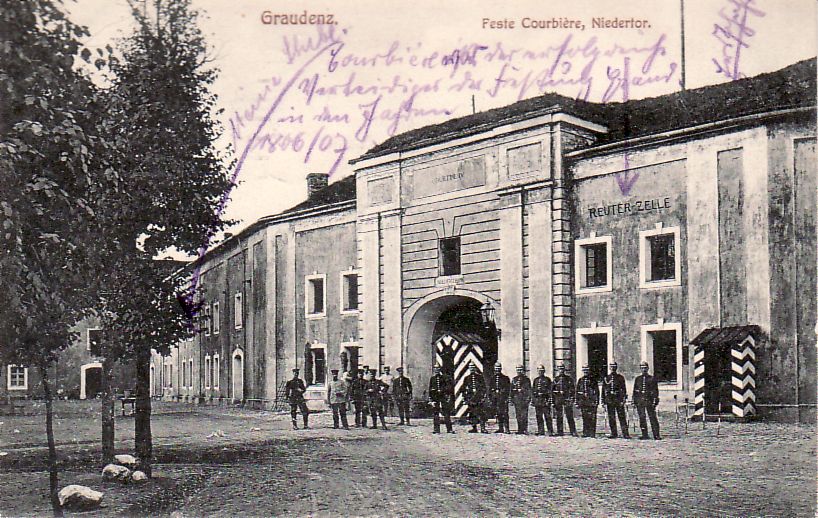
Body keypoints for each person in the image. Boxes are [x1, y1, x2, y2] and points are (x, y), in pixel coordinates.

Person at [633, 361, 661, 440]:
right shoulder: (638, 379)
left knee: (652, 417)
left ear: (648, 368)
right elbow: (635, 391)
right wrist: (634, 401)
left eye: (645, 368)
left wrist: (655, 401)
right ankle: (644, 434)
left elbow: (655, 391)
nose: (644, 369)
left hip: (649, 401)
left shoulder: (652, 379)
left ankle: (656, 435)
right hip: (640, 401)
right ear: (640, 369)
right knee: (642, 417)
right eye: (642, 368)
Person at [602, 362, 630, 439]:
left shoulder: (620, 378)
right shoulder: (606, 378)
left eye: (614, 366)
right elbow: (603, 390)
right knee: (611, 417)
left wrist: (623, 399)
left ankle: (625, 434)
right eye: (611, 366)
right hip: (610, 400)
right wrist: (603, 400)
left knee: (622, 417)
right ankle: (614, 433)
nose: (613, 368)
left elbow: (623, 389)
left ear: (616, 367)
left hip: (618, 399)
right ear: (609, 368)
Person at [428, 364, 455, 433]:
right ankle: (436, 429)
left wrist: (443, 391)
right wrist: (431, 398)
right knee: (436, 413)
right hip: (435, 397)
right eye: (435, 368)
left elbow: (448, 387)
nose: (436, 369)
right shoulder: (432, 379)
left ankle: (449, 429)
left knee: (446, 413)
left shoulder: (444, 378)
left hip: (443, 397)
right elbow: (430, 389)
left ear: (440, 369)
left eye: (438, 368)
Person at [552, 363, 577, 437]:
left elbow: (572, 390)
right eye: (560, 369)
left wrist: (571, 398)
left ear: (564, 370)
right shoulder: (555, 379)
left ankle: (573, 431)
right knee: (559, 416)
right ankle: (560, 431)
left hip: (567, 399)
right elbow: (552, 391)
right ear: (558, 369)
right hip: (558, 399)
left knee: (569, 416)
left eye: (562, 369)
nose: (561, 370)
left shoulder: (569, 379)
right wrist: (553, 400)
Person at [462, 362, 487, 433]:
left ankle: (483, 428)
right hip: (471, 398)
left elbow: (484, 387)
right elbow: (463, 389)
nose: (472, 368)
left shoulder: (480, 377)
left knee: (481, 413)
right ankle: (474, 427)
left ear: (475, 368)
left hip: (478, 398)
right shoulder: (467, 378)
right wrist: (465, 398)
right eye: (470, 367)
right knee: (472, 413)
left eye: (473, 367)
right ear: (469, 368)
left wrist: (483, 397)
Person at [575, 365, 599, 438]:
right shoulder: (580, 380)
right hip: (583, 401)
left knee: (592, 417)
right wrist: (577, 402)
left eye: (587, 370)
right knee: (585, 417)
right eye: (584, 370)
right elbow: (577, 391)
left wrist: (596, 401)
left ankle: (592, 433)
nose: (585, 371)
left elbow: (597, 391)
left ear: (589, 371)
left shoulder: (593, 380)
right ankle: (585, 432)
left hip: (591, 401)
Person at [487, 362, 511, 434]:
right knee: (498, 413)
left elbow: (508, 389)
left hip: (503, 399)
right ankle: (500, 428)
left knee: (505, 414)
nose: (497, 369)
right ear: (494, 369)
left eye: (498, 368)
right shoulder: (492, 378)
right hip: (495, 399)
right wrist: (491, 398)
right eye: (496, 368)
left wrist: (506, 397)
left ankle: (507, 429)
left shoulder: (505, 378)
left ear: (501, 368)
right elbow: (490, 389)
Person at [531, 365, 555, 436]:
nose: (540, 372)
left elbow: (550, 390)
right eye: (539, 370)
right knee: (539, 416)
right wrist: (534, 399)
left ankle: (550, 431)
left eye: (541, 370)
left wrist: (547, 397)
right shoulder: (536, 380)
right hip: (538, 400)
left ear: (544, 371)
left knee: (547, 416)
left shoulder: (547, 380)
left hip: (545, 400)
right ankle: (541, 431)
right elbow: (533, 390)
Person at [510, 365, 532, 435]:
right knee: (518, 415)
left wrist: (528, 399)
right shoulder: (514, 379)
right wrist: (512, 399)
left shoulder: (526, 380)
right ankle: (520, 429)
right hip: (517, 399)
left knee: (524, 415)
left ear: (523, 371)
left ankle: (524, 429)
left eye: (520, 369)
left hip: (524, 399)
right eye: (518, 370)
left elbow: (529, 390)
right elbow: (511, 390)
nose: (519, 371)